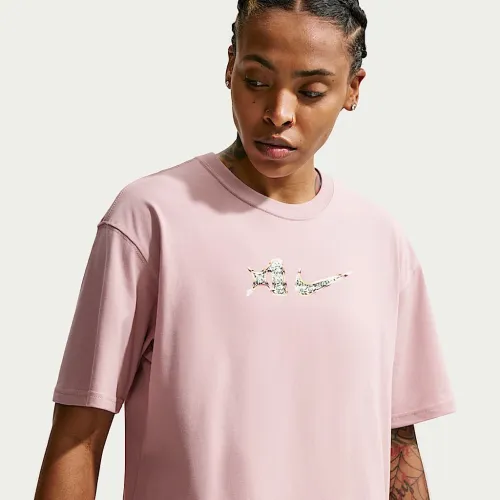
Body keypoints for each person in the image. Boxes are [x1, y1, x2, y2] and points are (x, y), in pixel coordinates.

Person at [34, 1, 456, 499]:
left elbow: (396, 444)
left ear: (353, 89)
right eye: (257, 81)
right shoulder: (150, 218)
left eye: (311, 91)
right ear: (230, 65)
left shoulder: (381, 241)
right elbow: (77, 439)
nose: (279, 113)